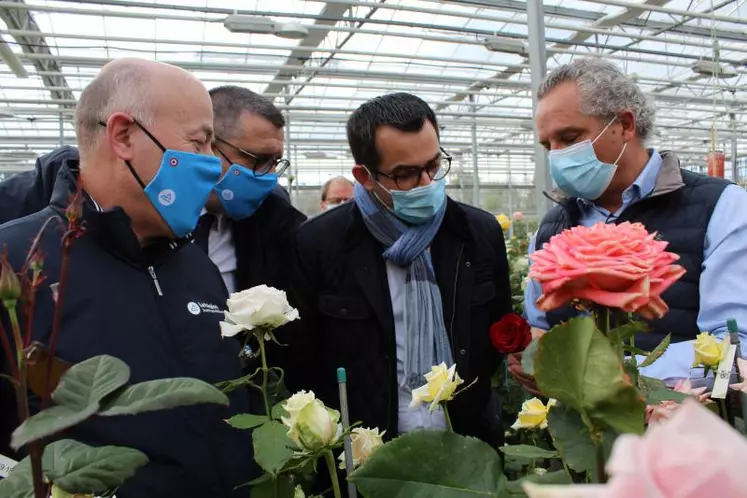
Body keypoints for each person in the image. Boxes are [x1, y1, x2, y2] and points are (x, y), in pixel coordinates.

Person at [0, 58, 253, 497]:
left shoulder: (194, 262)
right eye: (200, 143)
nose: (214, 166)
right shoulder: (17, 261)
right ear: (123, 136)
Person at [284, 93, 512, 448]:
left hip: (466, 441)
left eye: (433, 166)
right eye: (405, 174)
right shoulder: (320, 244)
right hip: (369, 451)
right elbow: (302, 358)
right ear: (365, 176)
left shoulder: (476, 234)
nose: (426, 184)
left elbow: (496, 333)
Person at [512, 58, 747, 391]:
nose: (556, 156)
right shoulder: (552, 229)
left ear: (624, 124)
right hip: (584, 436)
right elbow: (539, 329)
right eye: (547, 145)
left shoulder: (721, 208)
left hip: (685, 431)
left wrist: (615, 377)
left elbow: (737, 351)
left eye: (569, 137)